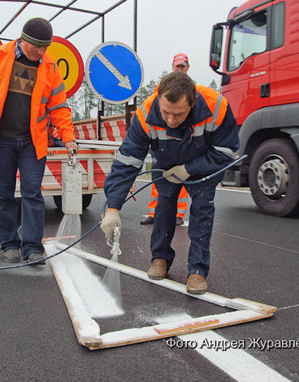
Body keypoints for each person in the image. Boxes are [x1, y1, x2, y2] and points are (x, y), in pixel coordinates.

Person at [101, 72, 239, 294]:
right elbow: (127, 161)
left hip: (203, 164)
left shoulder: (216, 107)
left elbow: (226, 150)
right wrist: (113, 207)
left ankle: (197, 270)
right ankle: (160, 259)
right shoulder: (146, 114)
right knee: (163, 208)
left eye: (179, 114)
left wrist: (189, 169)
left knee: (202, 210)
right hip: (165, 163)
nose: (171, 120)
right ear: (158, 99)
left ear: (192, 103)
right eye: (165, 112)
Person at [0, 18, 78, 265]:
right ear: (24, 41)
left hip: (32, 142)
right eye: (38, 47)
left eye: (45, 48)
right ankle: (9, 245)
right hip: (0, 140)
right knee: (3, 194)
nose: (42, 52)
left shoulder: (50, 67)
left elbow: (59, 107)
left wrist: (68, 139)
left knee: (32, 194)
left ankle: (33, 248)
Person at [141, 53, 191, 226]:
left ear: (187, 67)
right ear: (172, 66)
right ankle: (154, 213)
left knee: (181, 180)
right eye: (177, 66)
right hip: (162, 142)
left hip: (182, 142)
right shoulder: (161, 88)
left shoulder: (193, 90)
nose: (180, 69)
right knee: (158, 179)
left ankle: (178, 214)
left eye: (183, 66)